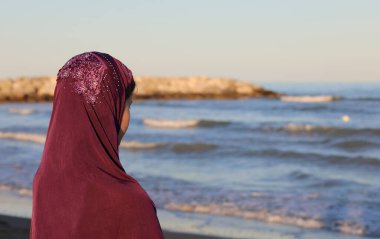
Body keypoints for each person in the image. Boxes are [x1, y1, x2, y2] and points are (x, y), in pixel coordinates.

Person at [30, 51, 165, 239]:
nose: (127, 119)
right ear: (108, 110)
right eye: (128, 106)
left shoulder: (44, 181)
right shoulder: (128, 202)